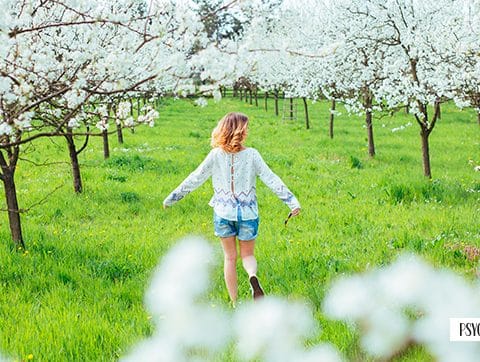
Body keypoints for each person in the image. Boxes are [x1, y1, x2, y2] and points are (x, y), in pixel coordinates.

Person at [163, 112, 300, 305]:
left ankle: (234, 302)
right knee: (248, 255)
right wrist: (292, 202)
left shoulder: (215, 155)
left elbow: (196, 178)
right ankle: (252, 276)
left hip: (223, 213)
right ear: (240, 131)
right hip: (248, 214)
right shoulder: (252, 155)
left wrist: (173, 197)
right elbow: (271, 178)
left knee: (229, 258)